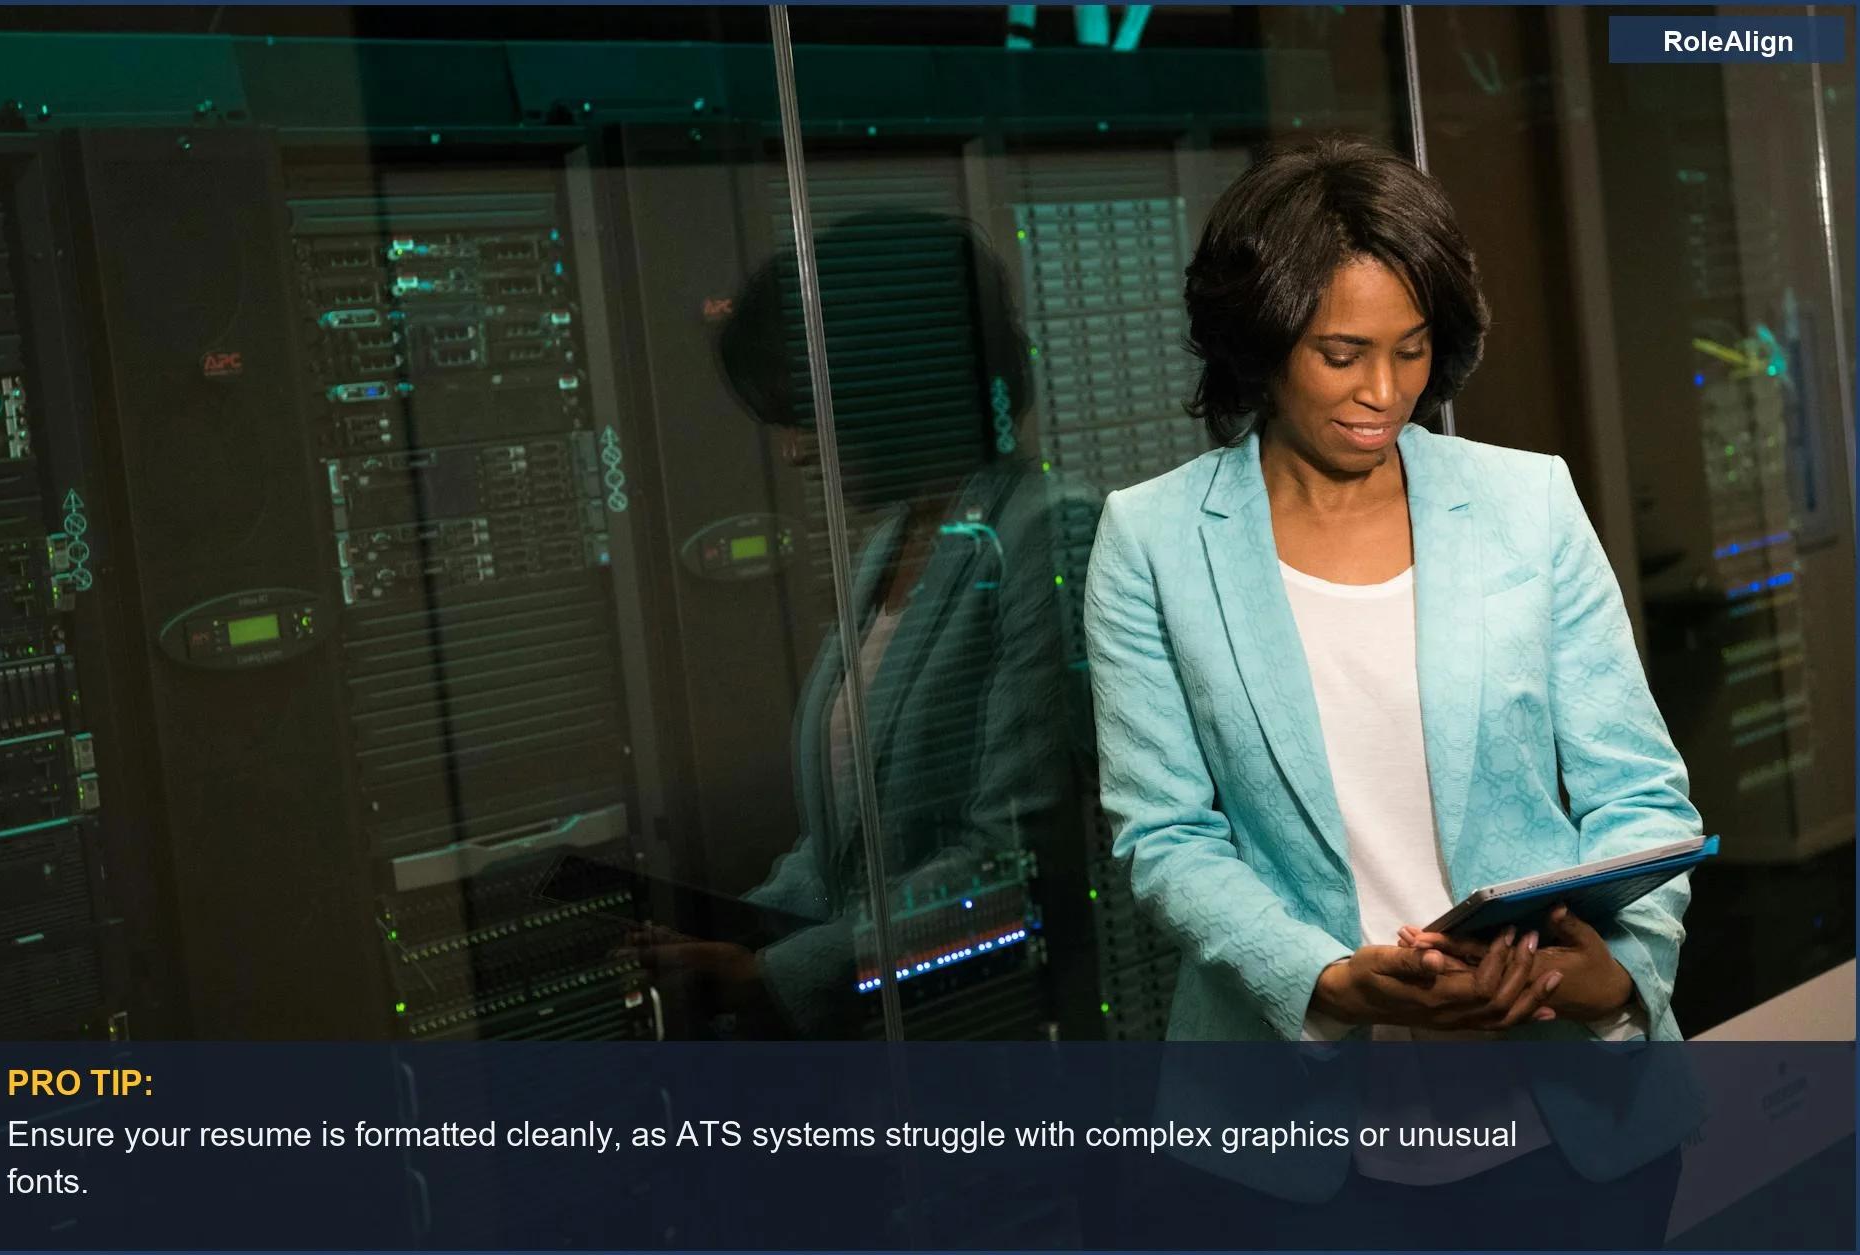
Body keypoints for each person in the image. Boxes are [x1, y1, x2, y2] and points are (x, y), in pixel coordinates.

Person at [1083, 136, 1703, 1245]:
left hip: (1571, 1131)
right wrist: (1325, 979)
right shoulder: (1152, 540)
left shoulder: (1528, 503)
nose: (1385, 393)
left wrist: (1614, 977)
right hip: (1292, 1154)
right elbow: (1164, 835)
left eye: (1412, 351)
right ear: (1260, 341)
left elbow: (1640, 796)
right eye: (1342, 353)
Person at [632, 210, 1097, 1041]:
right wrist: (736, 932)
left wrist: (778, 975)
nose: (792, 452)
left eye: (805, 414)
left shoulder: (1044, 533)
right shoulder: (891, 543)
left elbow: (1014, 861)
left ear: (895, 391)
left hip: (995, 1037)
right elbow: (844, 852)